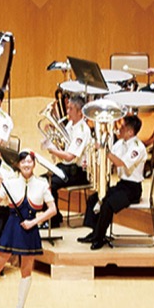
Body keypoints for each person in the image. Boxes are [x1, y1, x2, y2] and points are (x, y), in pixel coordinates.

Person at [0, 150, 57, 308]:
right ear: (18, 164)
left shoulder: (41, 184)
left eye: (30, 162)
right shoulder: (10, 183)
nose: (26, 165)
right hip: (12, 227)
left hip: (30, 229)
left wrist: (34, 222)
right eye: (23, 162)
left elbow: (52, 209)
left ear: (34, 164)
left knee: (26, 270)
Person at [80, 115, 146, 250]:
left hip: (132, 189)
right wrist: (92, 160)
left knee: (108, 204)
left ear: (130, 132)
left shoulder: (137, 147)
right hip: (122, 185)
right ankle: (95, 232)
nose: (119, 129)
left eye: (122, 127)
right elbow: (109, 159)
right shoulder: (120, 143)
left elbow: (120, 163)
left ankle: (100, 238)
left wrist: (104, 149)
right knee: (95, 198)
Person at [43, 95, 90, 228]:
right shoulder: (70, 124)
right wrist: (51, 132)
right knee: (42, 181)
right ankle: (54, 215)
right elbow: (64, 145)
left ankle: (53, 219)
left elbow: (70, 156)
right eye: (67, 108)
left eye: (70, 109)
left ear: (80, 112)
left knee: (49, 184)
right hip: (67, 168)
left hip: (78, 172)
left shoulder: (82, 131)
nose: (67, 111)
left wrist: (52, 150)